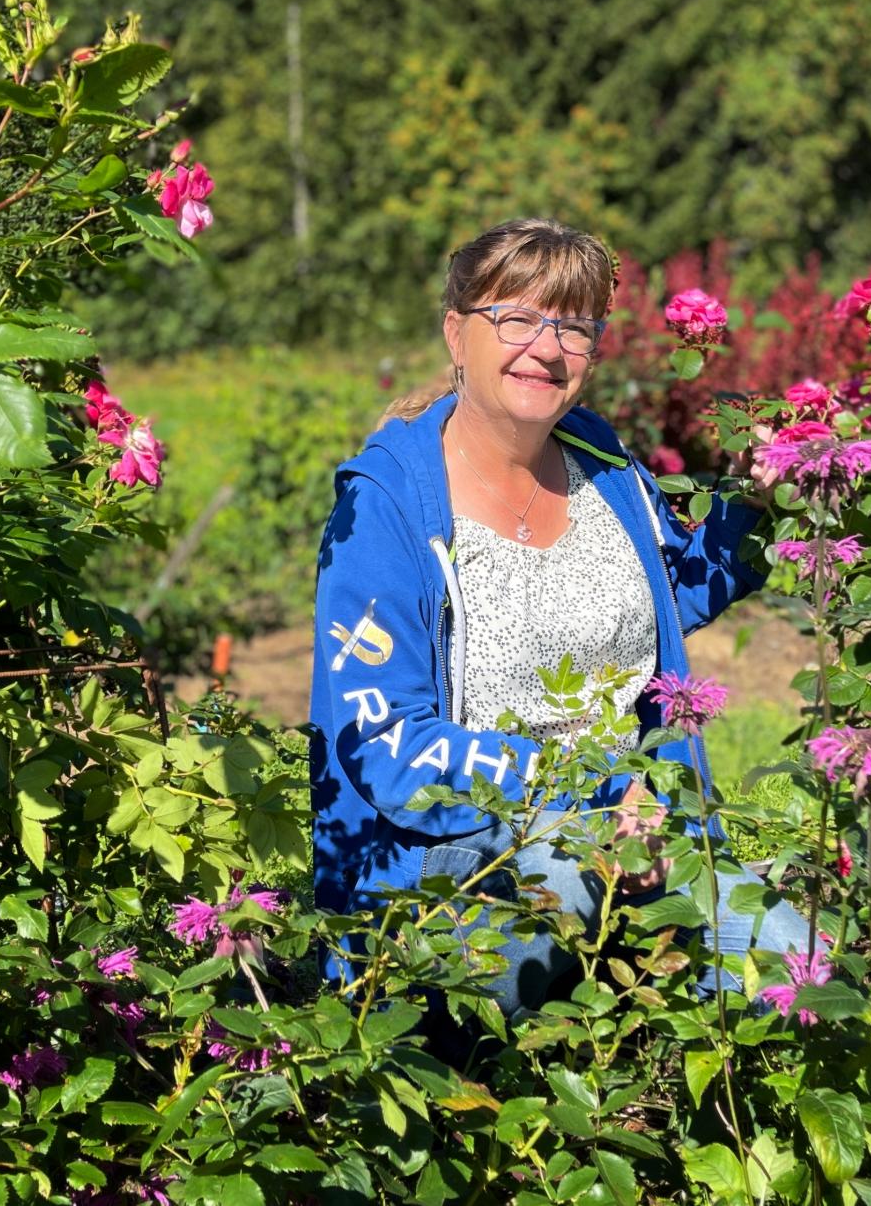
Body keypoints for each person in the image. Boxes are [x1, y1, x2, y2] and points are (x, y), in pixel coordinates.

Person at [308, 218, 809, 1033]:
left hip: (637, 823)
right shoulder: (386, 507)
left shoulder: (596, 457)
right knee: (568, 882)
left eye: (573, 325)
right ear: (456, 333)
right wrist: (593, 793)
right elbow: (386, 741)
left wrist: (759, 498)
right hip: (460, 856)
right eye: (515, 317)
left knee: (805, 973)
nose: (545, 347)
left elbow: (664, 595)